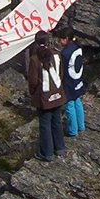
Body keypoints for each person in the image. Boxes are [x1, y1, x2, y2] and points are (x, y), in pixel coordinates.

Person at [27, 31, 67, 162]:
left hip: (44, 97)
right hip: (58, 93)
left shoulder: (34, 59)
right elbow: (61, 73)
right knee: (56, 121)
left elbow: (32, 81)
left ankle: (47, 152)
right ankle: (60, 147)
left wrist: (33, 93)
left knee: (45, 125)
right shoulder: (55, 54)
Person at [58, 28, 86, 137]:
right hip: (77, 79)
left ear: (65, 39)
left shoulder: (65, 53)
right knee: (77, 101)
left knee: (69, 105)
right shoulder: (77, 47)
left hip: (69, 82)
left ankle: (72, 130)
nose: (59, 42)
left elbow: (62, 70)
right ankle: (81, 125)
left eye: (60, 39)